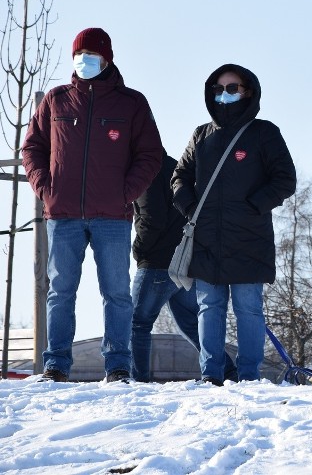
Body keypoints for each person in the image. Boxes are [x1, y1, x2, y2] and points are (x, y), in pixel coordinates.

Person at [22, 27, 163, 383]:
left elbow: (150, 155)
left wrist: (125, 193)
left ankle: (118, 365)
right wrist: (44, 187)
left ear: (107, 59)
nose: (83, 61)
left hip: (112, 216)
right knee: (60, 291)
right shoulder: (55, 100)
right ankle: (55, 365)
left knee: (116, 292)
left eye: (91, 55)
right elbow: (32, 149)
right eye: (78, 54)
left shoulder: (132, 103)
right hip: (62, 213)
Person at [171, 64, 297, 385]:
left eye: (231, 88)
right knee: (209, 308)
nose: (224, 94)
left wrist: (254, 205)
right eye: (218, 89)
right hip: (207, 238)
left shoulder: (264, 133)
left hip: (249, 238)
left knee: (248, 310)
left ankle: (249, 377)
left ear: (247, 91)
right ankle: (210, 374)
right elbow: (180, 177)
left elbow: (285, 179)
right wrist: (189, 205)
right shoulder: (201, 135)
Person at [130, 149, 238, 382]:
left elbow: (151, 218)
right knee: (191, 322)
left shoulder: (145, 172)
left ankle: (137, 381)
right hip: (184, 261)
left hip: (156, 262)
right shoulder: (177, 168)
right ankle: (228, 371)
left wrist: (138, 249)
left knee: (136, 323)